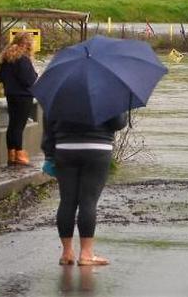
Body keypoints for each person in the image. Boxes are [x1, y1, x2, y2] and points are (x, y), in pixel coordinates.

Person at [42, 112, 128, 266]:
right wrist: (124, 110)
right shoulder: (107, 90)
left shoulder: (59, 91)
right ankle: (86, 254)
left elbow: (48, 125)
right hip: (98, 148)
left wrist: (49, 155)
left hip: (65, 148)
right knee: (88, 201)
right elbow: (117, 123)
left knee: (67, 201)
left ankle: (67, 253)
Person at [0, 32, 37, 166]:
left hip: (11, 95)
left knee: (12, 125)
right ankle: (20, 154)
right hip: (24, 97)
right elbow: (29, 80)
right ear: (27, 44)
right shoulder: (23, 59)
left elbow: (0, 77)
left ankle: (11, 154)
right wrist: (35, 75)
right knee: (19, 126)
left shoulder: (6, 58)